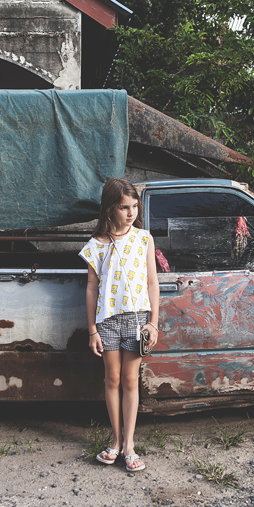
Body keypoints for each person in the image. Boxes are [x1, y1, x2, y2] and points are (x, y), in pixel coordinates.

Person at [79, 178, 160, 473]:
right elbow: (90, 289)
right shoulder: (94, 246)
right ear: (110, 209)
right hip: (107, 322)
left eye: (134, 206)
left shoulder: (144, 239)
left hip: (138, 320)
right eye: (124, 207)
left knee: (130, 380)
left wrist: (153, 323)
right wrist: (93, 330)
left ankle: (129, 445)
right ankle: (115, 440)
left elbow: (153, 282)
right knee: (111, 380)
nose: (131, 212)